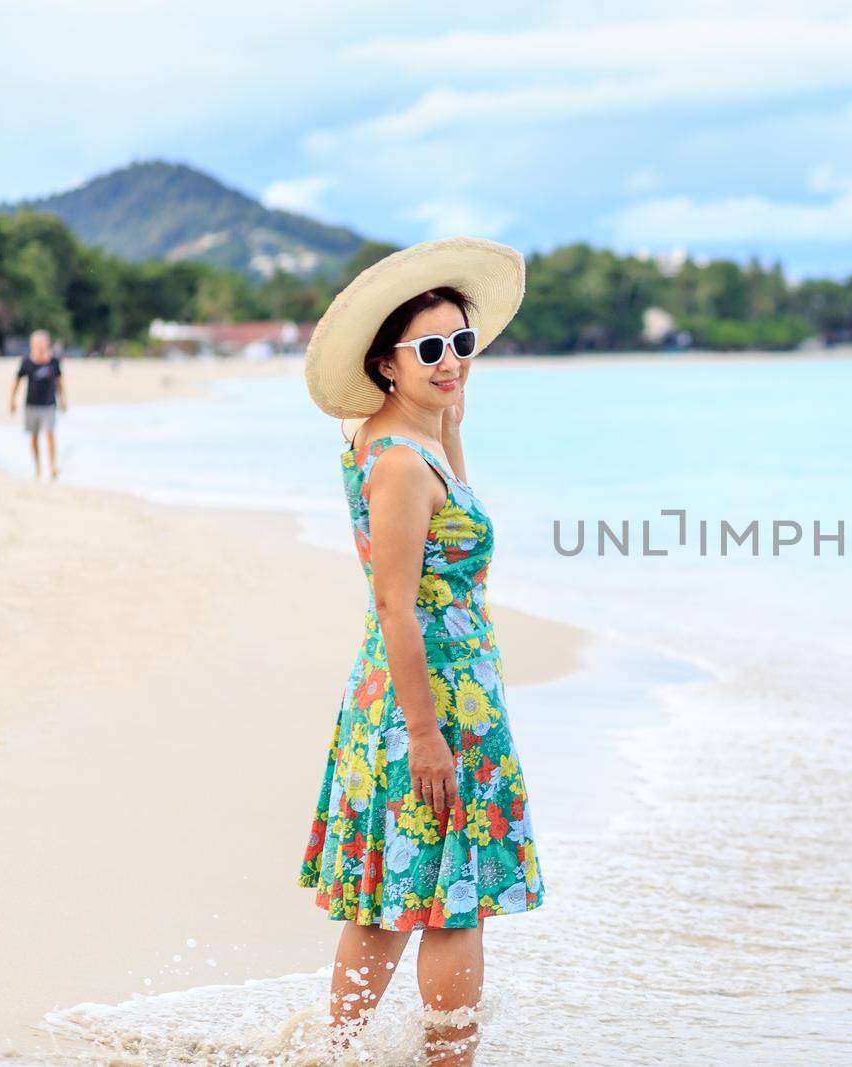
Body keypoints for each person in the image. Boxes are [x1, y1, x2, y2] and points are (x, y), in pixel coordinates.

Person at [298, 237, 542, 1066]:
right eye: (431, 349)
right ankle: (450, 1061)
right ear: (386, 364)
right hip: (429, 700)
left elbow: (455, 525)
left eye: (462, 344)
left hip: (408, 693)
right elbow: (397, 604)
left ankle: (335, 1052)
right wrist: (430, 733)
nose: (452, 361)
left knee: (386, 894)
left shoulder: (399, 441)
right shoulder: (399, 464)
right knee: (452, 898)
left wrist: (451, 420)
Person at [7, 329, 68, 480]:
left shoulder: (54, 362)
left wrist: (63, 400)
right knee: (34, 437)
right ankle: (38, 467)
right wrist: (12, 400)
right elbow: (17, 381)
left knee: (50, 434)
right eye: (37, 344)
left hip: (49, 405)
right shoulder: (27, 362)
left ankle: (53, 465)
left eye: (43, 344)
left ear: (47, 345)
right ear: (32, 345)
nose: (40, 347)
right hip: (31, 405)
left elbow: (59, 382)